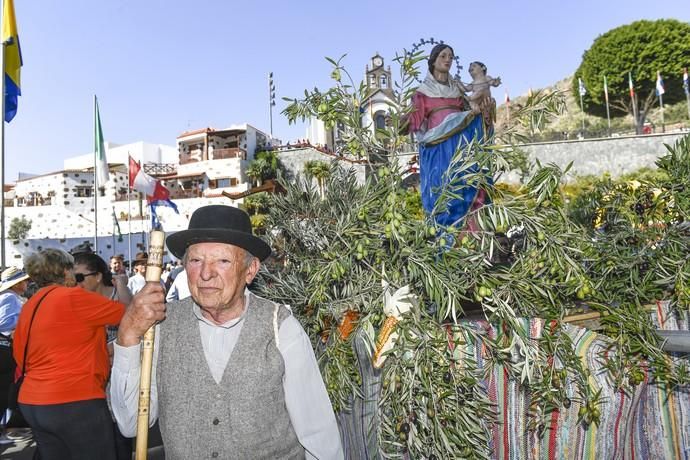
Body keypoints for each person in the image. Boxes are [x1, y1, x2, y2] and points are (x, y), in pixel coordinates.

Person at [110, 205, 343, 459]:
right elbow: (131, 423)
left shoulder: (281, 328)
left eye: (222, 261)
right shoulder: (162, 327)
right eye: (196, 260)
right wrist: (128, 335)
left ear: (250, 271)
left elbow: (318, 435)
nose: (206, 274)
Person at [12, 248, 162, 460]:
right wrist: (120, 284)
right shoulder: (73, 297)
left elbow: (21, 355)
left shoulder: (32, 304)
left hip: (34, 403)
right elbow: (131, 316)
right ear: (66, 272)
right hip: (74, 401)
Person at [403, 43, 492, 229]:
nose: (448, 60)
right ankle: (446, 242)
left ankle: (473, 241)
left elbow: (472, 118)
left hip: (461, 151)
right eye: (443, 56)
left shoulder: (458, 92)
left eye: (451, 57)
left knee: (469, 190)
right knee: (444, 196)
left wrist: (485, 113)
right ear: (433, 60)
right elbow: (414, 120)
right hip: (439, 152)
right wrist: (398, 122)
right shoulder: (423, 93)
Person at [72, 252, 133, 460]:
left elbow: (134, 322)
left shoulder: (118, 294)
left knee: (119, 434)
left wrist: (123, 285)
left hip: (118, 374)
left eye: (80, 277)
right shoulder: (75, 299)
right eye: (73, 278)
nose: (75, 282)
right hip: (89, 374)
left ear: (97, 276)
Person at [0, 267, 30, 442]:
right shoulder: (10, 297)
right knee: (4, 391)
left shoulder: (9, 297)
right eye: (24, 281)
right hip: (4, 350)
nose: (27, 284)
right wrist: (24, 317)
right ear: (17, 283)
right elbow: (4, 323)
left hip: (5, 349)